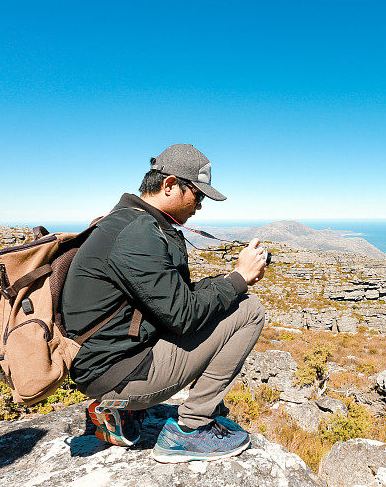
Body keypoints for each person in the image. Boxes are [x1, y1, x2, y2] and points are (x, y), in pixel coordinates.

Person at [60, 143, 267, 463]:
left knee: (229, 300)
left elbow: (169, 298)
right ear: (170, 185)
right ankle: (190, 431)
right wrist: (239, 280)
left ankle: (119, 413)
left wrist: (227, 281)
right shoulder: (139, 231)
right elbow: (184, 317)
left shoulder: (126, 221)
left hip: (105, 365)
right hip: (116, 372)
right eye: (197, 194)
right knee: (249, 310)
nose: (200, 205)